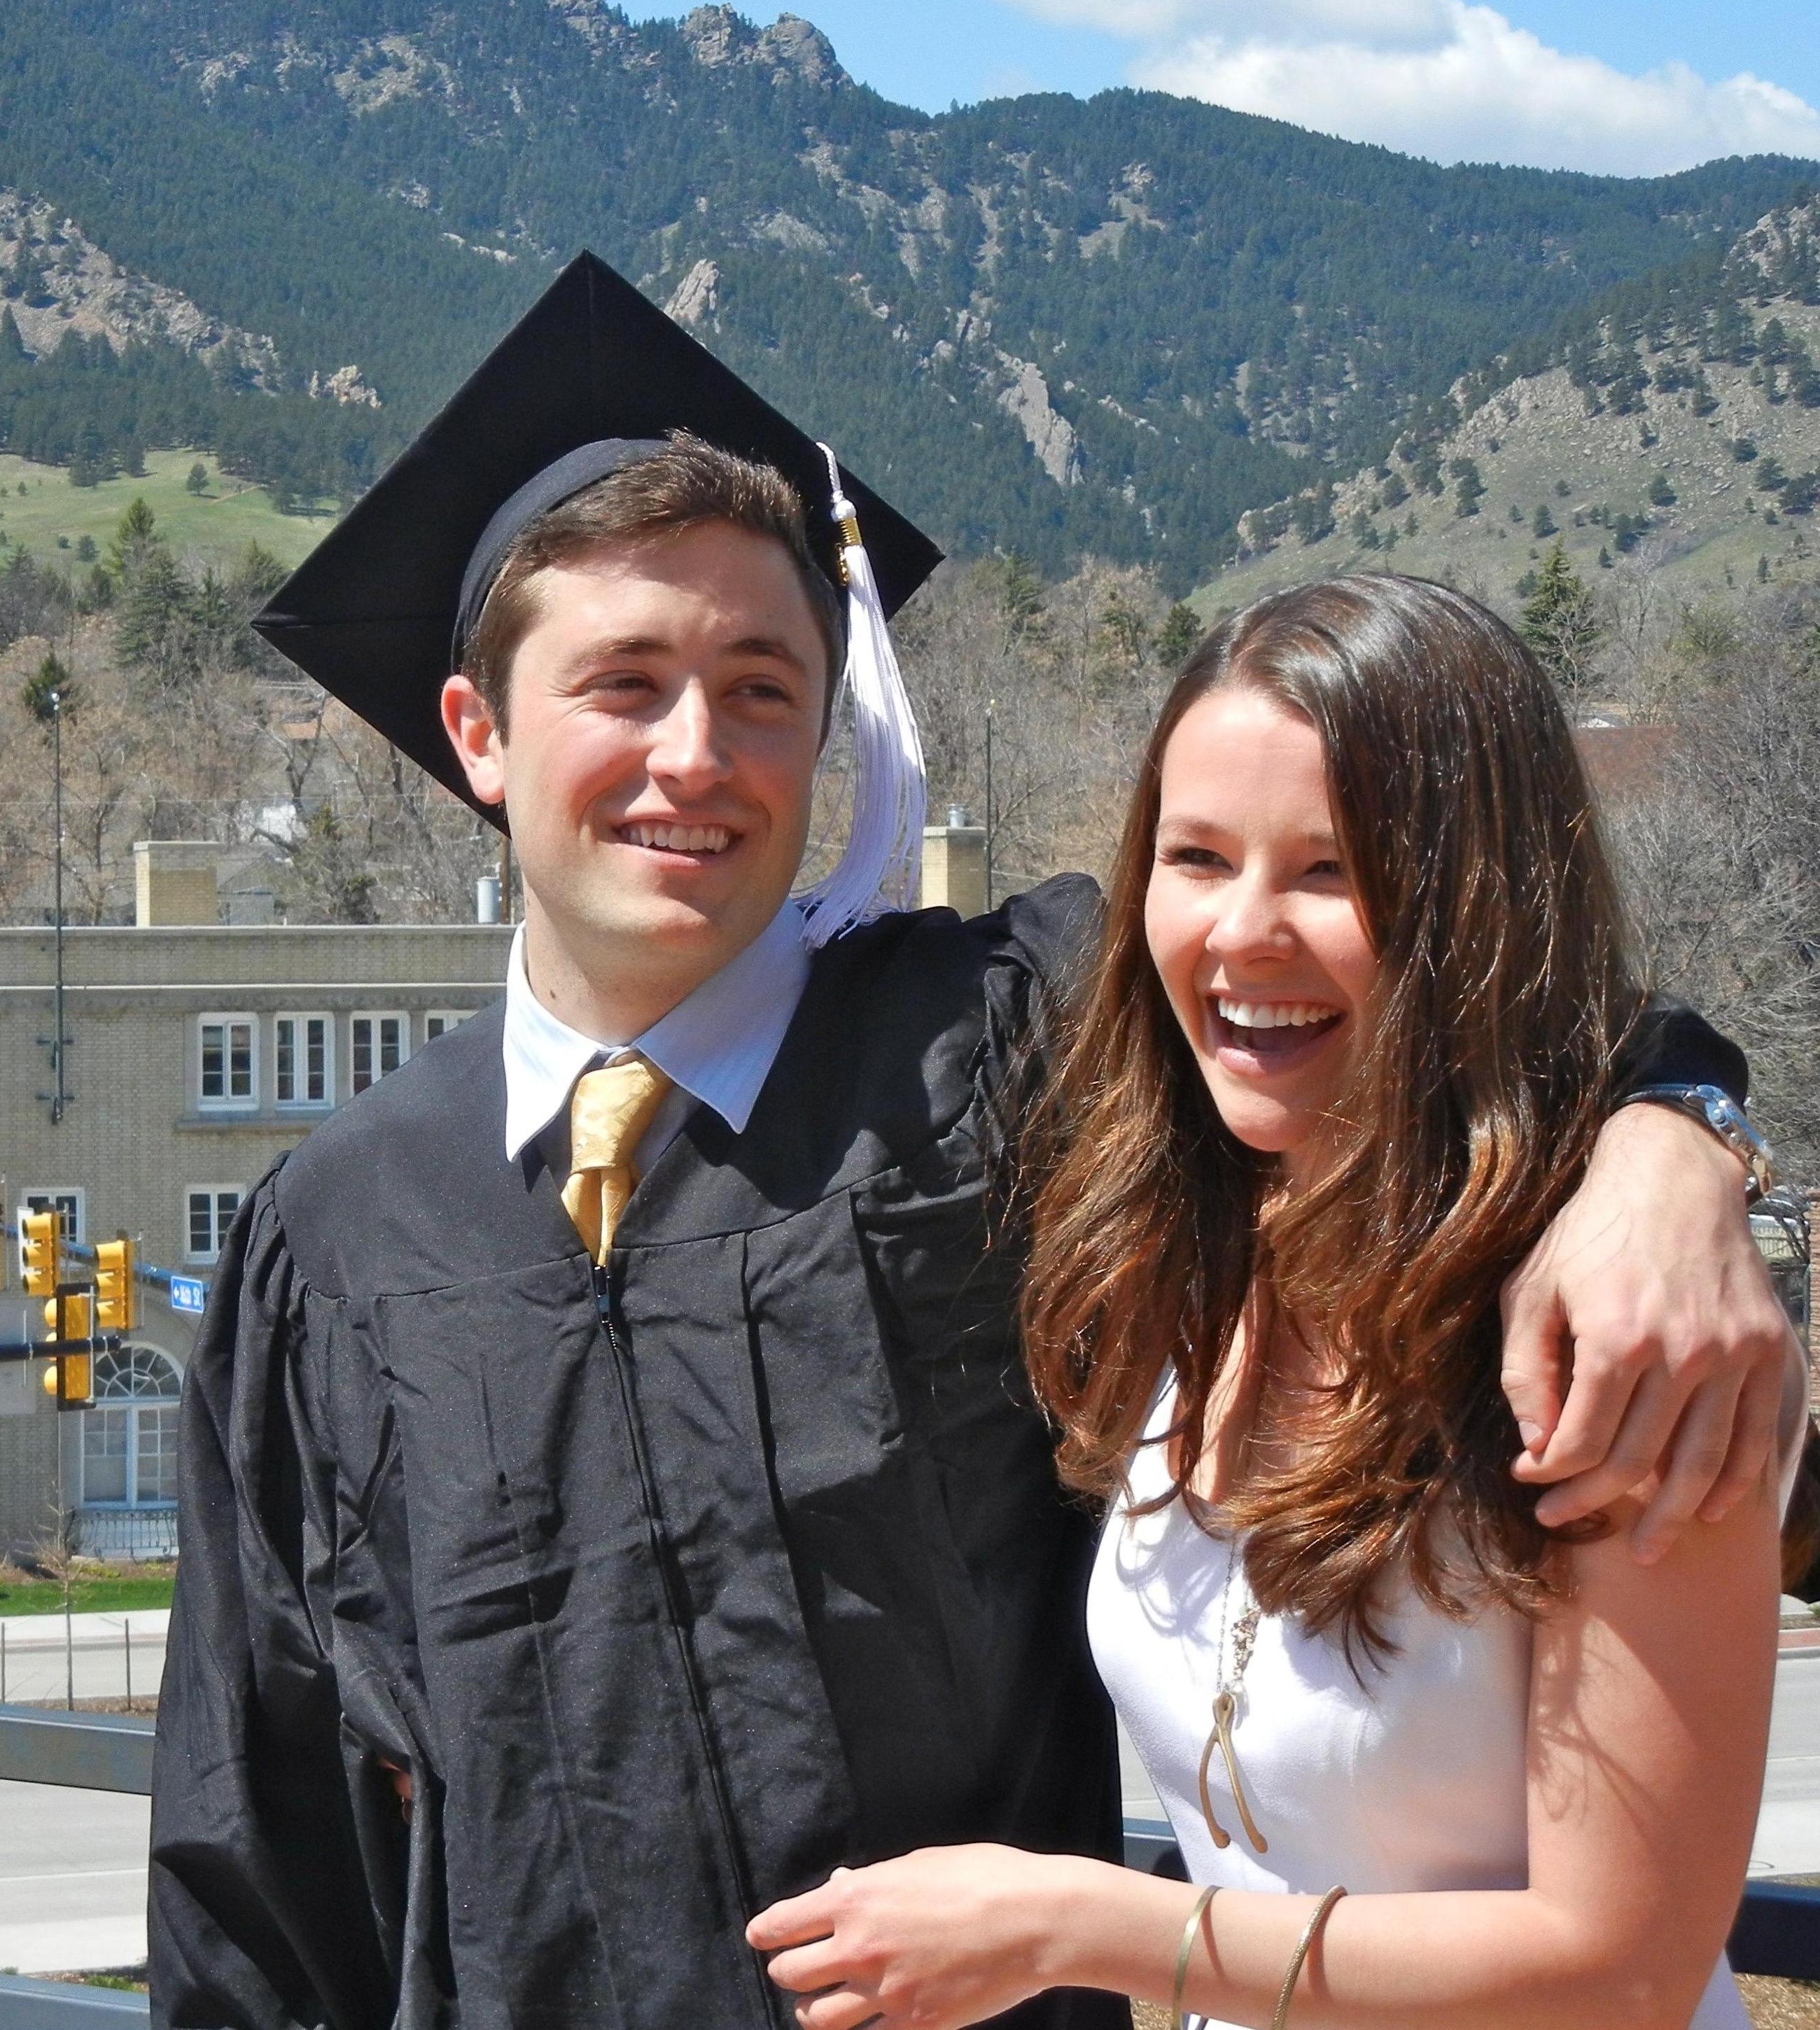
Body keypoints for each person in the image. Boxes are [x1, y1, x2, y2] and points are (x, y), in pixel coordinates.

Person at [149, 260, 1791, 2030]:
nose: (695, 755)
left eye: (763, 685)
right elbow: (262, 1825)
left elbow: (1448, 998)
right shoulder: (336, 1239)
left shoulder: (1010, 1047)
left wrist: (1673, 1142)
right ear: (479, 735)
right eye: (623, 682)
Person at [747, 576, 1807, 2030]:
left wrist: (1090, 1923)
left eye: (1331, 870)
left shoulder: (1614, 1337)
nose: (1244, 933)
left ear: (1477, 906)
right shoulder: (1172, 1239)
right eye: (1197, 856)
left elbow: (1619, 1963)